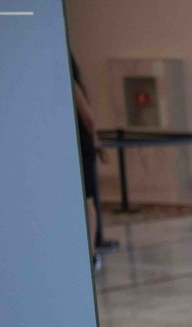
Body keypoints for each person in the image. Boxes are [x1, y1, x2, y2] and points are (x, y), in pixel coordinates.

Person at [70, 50, 107, 269]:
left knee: (87, 200)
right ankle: (90, 252)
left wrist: (94, 141)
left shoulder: (71, 85)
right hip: (81, 147)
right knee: (87, 200)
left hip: (81, 148)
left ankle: (91, 252)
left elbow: (88, 117)